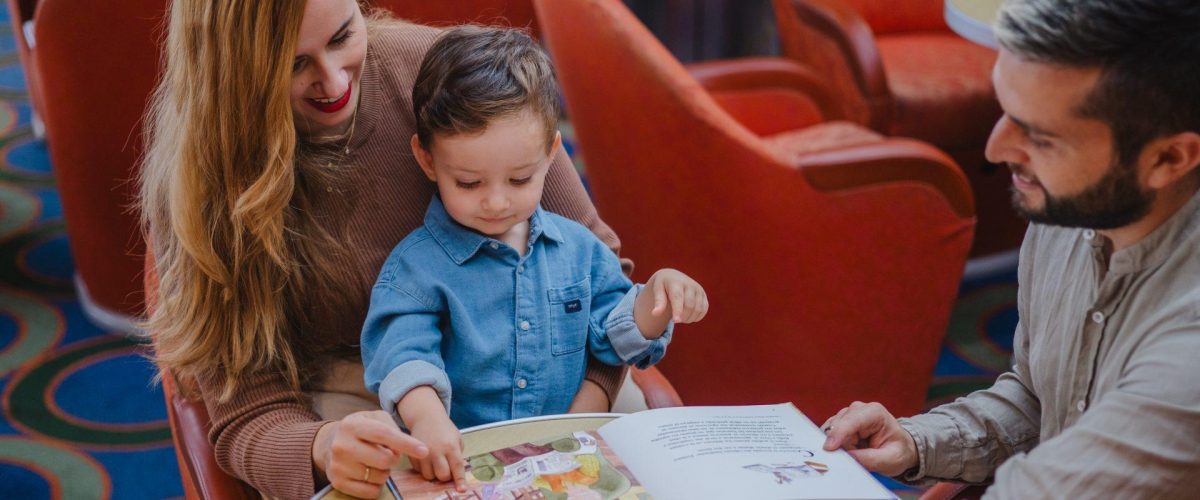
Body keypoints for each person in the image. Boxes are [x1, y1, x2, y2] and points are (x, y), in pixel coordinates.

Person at [138, 2, 634, 498]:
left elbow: (601, 274)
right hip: (355, 394)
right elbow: (248, 410)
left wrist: (589, 397)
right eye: (292, 64)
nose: (333, 84)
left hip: (548, 347)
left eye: (342, 37)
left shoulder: (448, 75)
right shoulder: (200, 182)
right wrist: (324, 445)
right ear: (231, 68)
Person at [819, 0, 1200, 497]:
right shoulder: (1075, 206)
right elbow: (1039, 398)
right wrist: (918, 442)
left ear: (1169, 158)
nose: (995, 150)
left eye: (1040, 137)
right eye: (1006, 111)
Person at [359, 26, 709, 489]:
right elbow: (404, 354)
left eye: (520, 179)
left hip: (570, 462)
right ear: (427, 161)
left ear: (550, 155)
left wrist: (655, 299)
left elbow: (614, 335)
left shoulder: (580, 252)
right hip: (465, 465)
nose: (497, 202)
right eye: (469, 183)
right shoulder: (415, 269)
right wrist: (427, 421)